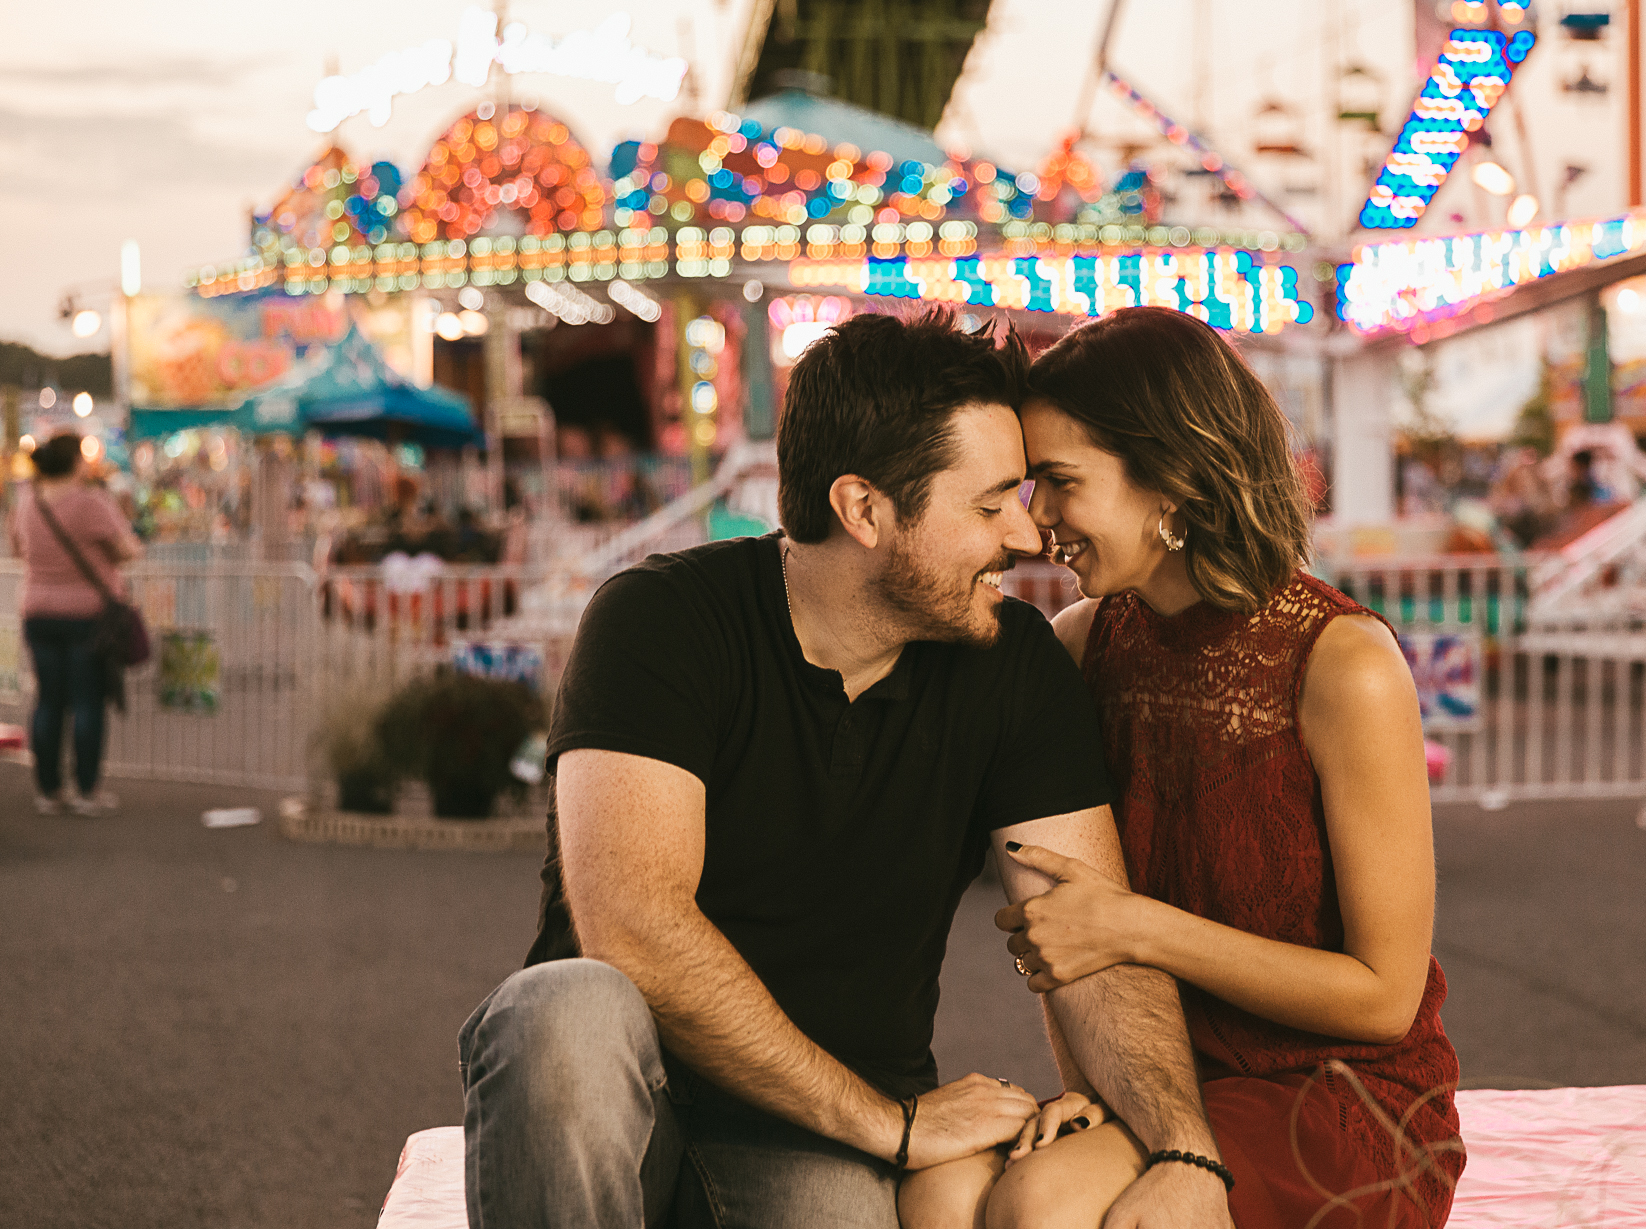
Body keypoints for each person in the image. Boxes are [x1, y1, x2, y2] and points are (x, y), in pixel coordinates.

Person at [457, 309, 1233, 1229]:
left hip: (819, 1139)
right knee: (560, 1011)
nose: (1024, 538)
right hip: (642, 1099)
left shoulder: (1014, 665)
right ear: (864, 508)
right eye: (988, 507)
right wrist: (888, 1124)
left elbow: (1087, 934)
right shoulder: (660, 619)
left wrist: (1186, 1148)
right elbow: (634, 923)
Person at [903, 307, 1464, 1229]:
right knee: (941, 1193)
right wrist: (1094, 1083)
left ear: (1170, 480)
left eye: (1059, 482)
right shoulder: (1080, 643)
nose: (1035, 518)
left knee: (1043, 1202)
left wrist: (1138, 928)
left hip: (1339, 1094)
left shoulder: (1344, 663)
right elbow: (1062, 930)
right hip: (1164, 1074)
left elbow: (1383, 995)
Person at [9, 431, 142, 817]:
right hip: (87, 617)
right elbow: (126, 549)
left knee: (48, 700)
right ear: (75, 462)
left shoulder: (27, 502)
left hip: (37, 612)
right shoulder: (91, 503)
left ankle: (48, 791)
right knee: (87, 702)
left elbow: (18, 549)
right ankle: (87, 791)